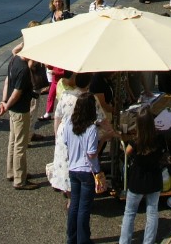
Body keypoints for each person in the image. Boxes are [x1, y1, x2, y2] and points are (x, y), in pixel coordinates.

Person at [117, 109, 165, 244]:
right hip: (154, 179)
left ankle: (124, 241)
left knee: (129, 213)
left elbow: (126, 152)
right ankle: (148, 241)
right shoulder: (159, 138)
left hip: (137, 180)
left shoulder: (135, 141)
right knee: (152, 213)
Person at [0, 42, 36, 189]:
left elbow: (7, 83)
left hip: (12, 109)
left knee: (13, 141)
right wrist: (7, 105)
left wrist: (4, 101)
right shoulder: (24, 70)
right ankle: (20, 180)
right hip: (21, 110)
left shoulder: (14, 60)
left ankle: (11, 172)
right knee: (20, 145)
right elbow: (17, 92)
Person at [63, 93, 102, 244]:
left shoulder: (68, 123)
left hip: (73, 169)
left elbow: (65, 142)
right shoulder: (91, 128)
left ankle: (71, 238)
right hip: (87, 171)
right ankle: (83, 240)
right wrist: (102, 141)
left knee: (74, 205)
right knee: (84, 208)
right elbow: (91, 154)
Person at [45, 71, 82, 195]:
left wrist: (56, 134)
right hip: (77, 132)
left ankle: (66, 189)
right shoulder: (87, 97)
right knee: (75, 161)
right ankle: (73, 191)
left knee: (64, 161)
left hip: (63, 131)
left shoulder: (65, 93)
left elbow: (57, 116)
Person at [43, 0, 74, 119]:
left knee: (61, 82)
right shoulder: (53, 14)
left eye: (59, 1)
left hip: (63, 47)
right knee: (53, 84)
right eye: (55, 2)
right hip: (55, 46)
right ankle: (49, 110)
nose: (57, 4)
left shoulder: (66, 14)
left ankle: (60, 109)